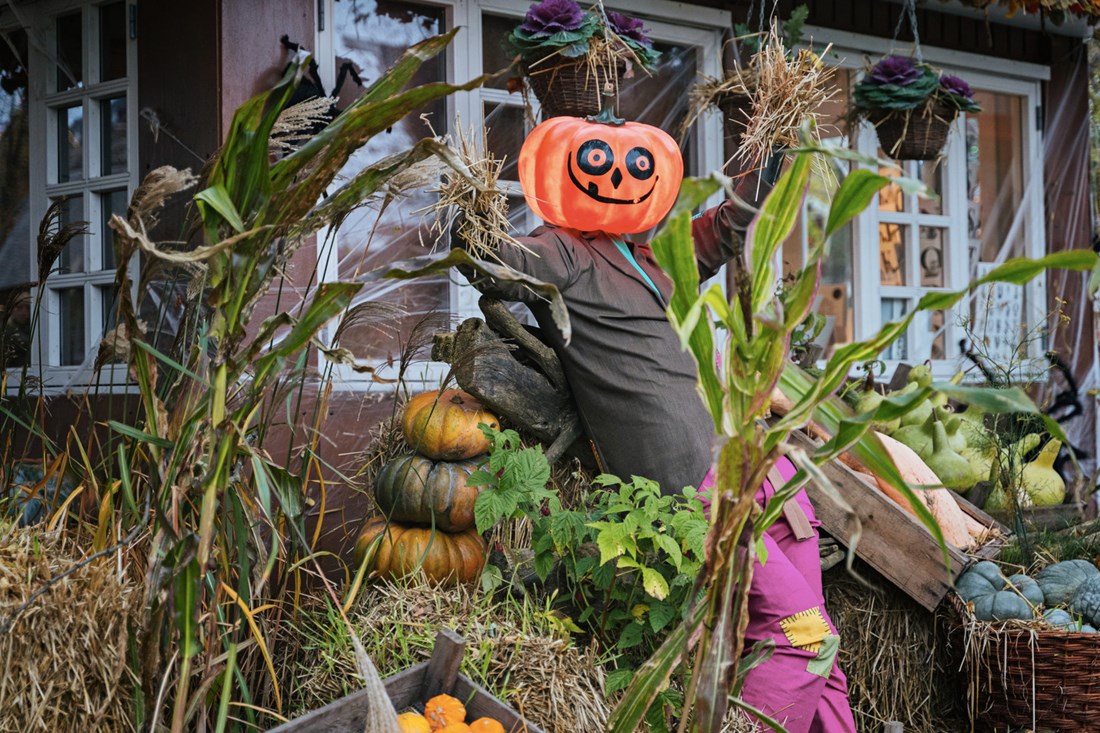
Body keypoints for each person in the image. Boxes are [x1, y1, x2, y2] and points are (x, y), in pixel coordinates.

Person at [454, 142, 855, 732]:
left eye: (638, 165)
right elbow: (497, 263)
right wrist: (473, 211)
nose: (621, 176)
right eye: (598, 163)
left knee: (825, 654)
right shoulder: (565, 251)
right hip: (697, 485)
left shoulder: (653, 256)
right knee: (802, 639)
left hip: (763, 475)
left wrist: (773, 145)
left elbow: (727, 227)